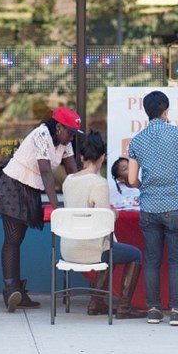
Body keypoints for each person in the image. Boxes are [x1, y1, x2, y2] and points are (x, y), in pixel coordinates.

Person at [0, 106, 80, 312]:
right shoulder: (42, 134)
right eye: (70, 132)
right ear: (59, 127)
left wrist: (83, 192)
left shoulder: (65, 143)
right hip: (13, 184)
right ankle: (10, 289)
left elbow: (73, 172)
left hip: (31, 189)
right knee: (12, 238)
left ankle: (16, 290)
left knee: (17, 239)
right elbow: (46, 172)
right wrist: (56, 206)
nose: (71, 137)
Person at [126, 91, 178, 327]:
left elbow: (133, 179)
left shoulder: (137, 140)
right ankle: (177, 311)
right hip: (175, 204)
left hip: (149, 207)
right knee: (177, 262)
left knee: (152, 260)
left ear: (146, 112)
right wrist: (177, 179)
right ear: (166, 110)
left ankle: (154, 310)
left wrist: (146, 185)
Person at [61, 131, 146, 319]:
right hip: (92, 250)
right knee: (135, 254)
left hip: (68, 249)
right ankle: (124, 307)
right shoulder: (99, 183)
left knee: (110, 248)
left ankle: (96, 302)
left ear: (81, 157)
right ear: (102, 157)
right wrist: (113, 213)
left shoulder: (68, 181)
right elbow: (104, 222)